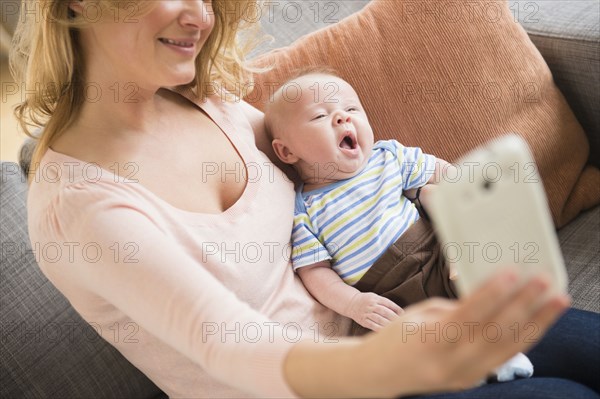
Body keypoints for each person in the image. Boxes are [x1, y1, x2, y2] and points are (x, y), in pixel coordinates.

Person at [11, 1, 598, 398]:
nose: (201, 15)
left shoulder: (203, 98)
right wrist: (391, 359)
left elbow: (322, 160)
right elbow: (226, 343)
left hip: (395, 325)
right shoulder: (80, 208)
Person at [264, 70, 535, 382]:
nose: (342, 118)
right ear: (287, 151)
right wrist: (353, 303)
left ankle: (498, 341)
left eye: (352, 109)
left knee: (474, 269)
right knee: (397, 344)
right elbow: (314, 271)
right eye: (320, 116)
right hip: (386, 293)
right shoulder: (302, 209)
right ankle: (473, 361)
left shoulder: (388, 156)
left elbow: (443, 173)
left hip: (436, 255)